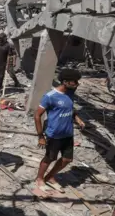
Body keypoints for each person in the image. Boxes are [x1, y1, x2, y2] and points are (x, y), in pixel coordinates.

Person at [33, 68, 85, 198]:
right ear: (65, 82)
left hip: (68, 133)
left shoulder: (71, 92)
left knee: (67, 159)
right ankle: (39, 179)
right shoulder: (50, 97)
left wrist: (77, 118)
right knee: (49, 158)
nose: (77, 84)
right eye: (74, 82)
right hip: (54, 135)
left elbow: (70, 107)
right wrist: (41, 136)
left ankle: (50, 177)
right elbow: (37, 116)